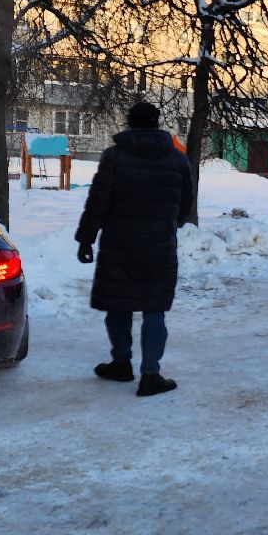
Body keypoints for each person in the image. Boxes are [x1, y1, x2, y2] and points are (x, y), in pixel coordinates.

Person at [76, 101, 192, 397]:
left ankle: (121, 363)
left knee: (119, 304)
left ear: (130, 122)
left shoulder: (114, 157)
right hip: (159, 247)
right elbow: (186, 204)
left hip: (119, 244)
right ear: (156, 123)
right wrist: (168, 225)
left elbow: (98, 202)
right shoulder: (178, 159)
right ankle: (151, 374)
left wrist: (86, 239)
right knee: (155, 309)